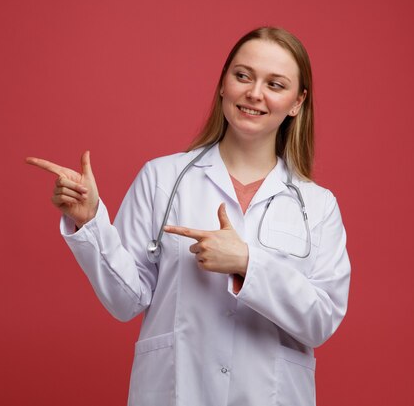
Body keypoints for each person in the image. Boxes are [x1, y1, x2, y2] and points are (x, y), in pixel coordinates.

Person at [27, 27, 350, 406]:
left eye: (275, 84)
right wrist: (91, 220)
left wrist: (248, 263)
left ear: (297, 102)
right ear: (223, 85)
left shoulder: (317, 205)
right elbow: (124, 300)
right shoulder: (162, 178)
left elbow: (321, 321)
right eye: (242, 76)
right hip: (176, 392)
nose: (254, 93)